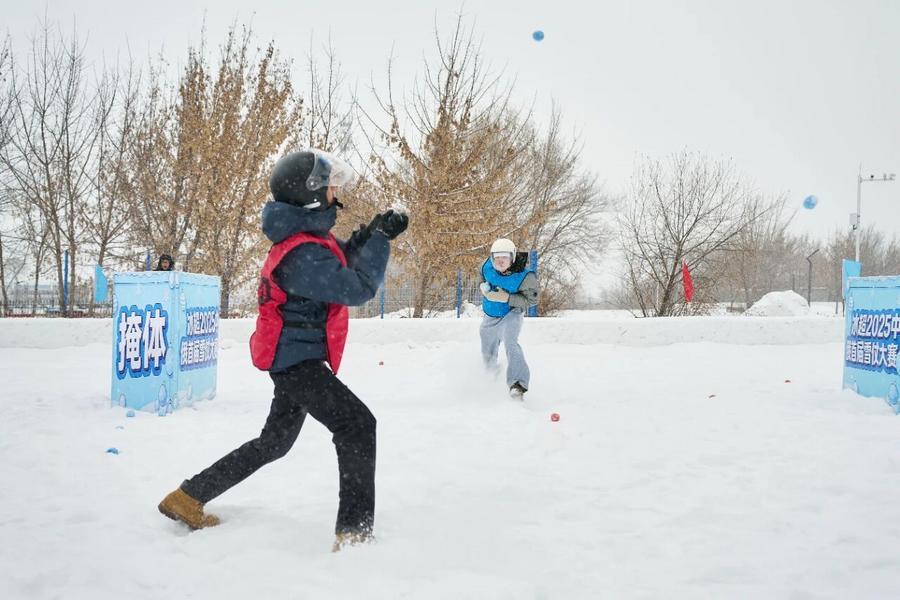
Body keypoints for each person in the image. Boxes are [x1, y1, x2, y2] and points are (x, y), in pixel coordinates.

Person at [158, 148, 409, 552]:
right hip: (298, 365)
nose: (334, 194)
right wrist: (379, 242)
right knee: (358, 426)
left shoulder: (307, 240)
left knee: (273, 443)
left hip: (292, 361)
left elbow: (340, 257)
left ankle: (187, 497)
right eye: (329, 188)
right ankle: (354, 534)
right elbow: (355, 287)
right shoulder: (301, 253)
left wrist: (370, 233)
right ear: (308, 196)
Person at [479, 238, 539, 398]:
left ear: (512, 257)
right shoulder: (487, 267)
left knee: (510, 343)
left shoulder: (525, 277)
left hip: (511, 312)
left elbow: (532, 300)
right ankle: (491, 375)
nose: (500, 261)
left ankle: (517, 384)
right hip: (491, 314)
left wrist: (507, 298)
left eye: (504, 257)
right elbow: (483, 278)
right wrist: (483, 287)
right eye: (496, 257)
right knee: (487, 349)